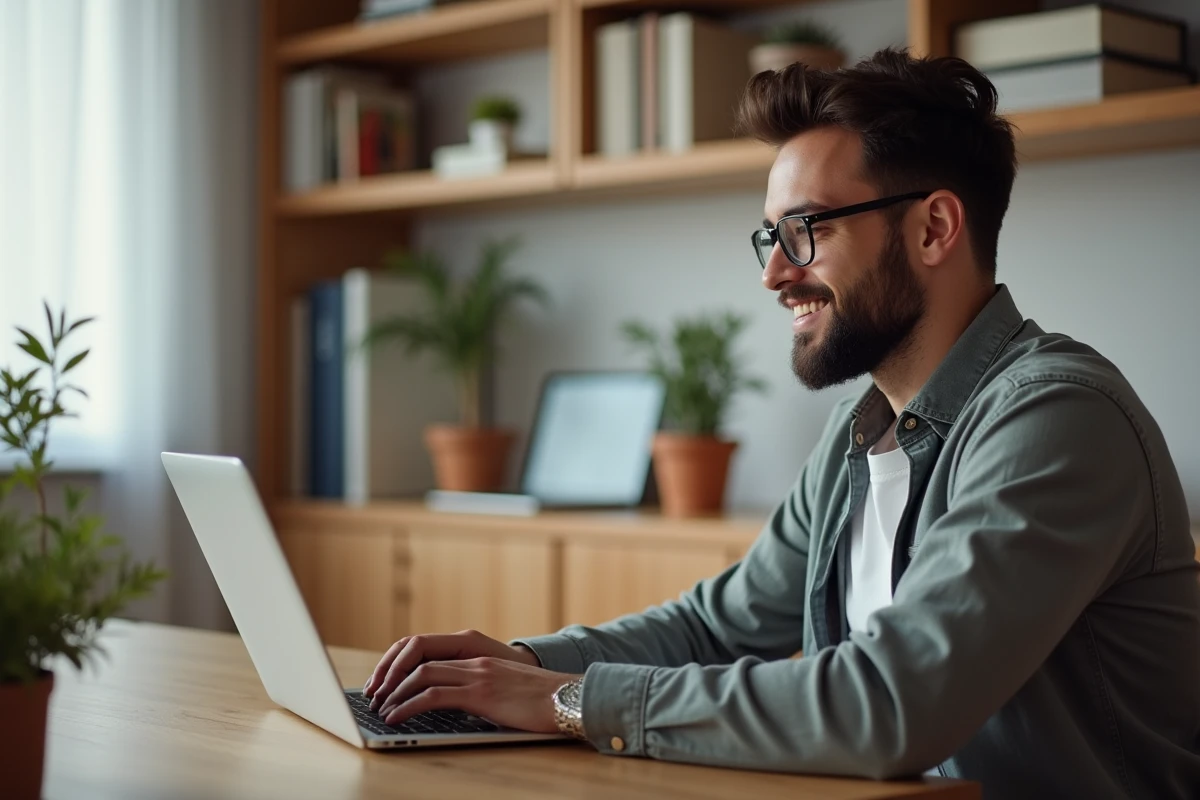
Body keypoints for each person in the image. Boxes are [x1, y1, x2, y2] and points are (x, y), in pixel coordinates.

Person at [363, 48, 1200, 797]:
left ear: (934, 227)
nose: (773, 273)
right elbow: (714, 625)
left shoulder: (1056, 417)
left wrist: (568, 703)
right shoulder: (860, 433)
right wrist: (520, 665)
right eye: (770, 234)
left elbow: (892, 705)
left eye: (805, 229)